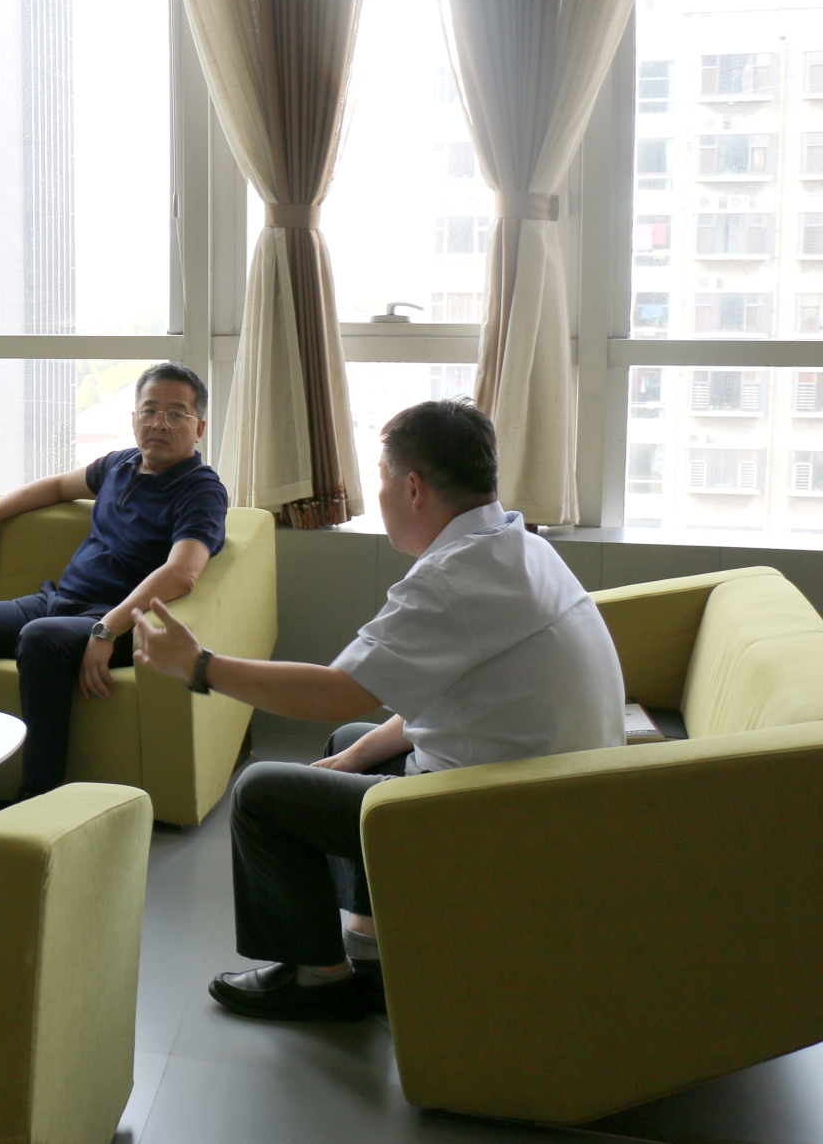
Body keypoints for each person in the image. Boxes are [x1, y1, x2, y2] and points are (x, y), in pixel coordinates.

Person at [133, 398, 625, 1022]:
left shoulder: (451, 581)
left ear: (413, 488)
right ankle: (369, 948)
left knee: (260, 794)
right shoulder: (515, 545)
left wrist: (200, 666)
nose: (381, 494)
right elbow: (450, 697)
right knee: (353, 742)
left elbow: (336, 691)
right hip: (559, 795)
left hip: (502, 816)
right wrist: (357, 753)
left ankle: (317, 976)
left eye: (383, 479)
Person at [0, 362, 229, 817]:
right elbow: (56, 487)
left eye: (176, 414)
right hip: (59, 602)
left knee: (41, 638)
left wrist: (107, 629)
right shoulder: (120, 465)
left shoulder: (201, 490)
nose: (159, 423)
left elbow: (183, 572)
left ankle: (37, 801)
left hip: (118, 620)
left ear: (199, 427)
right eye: (149, 410)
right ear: (134, 418)